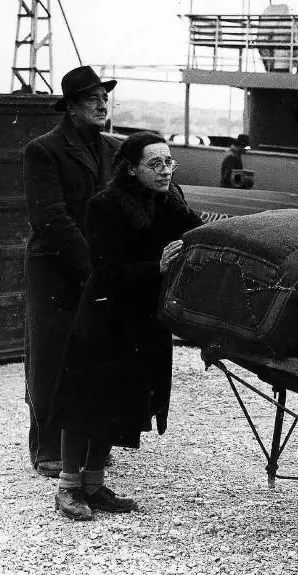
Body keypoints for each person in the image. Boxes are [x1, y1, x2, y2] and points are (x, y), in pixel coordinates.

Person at [50, 132, 202, 520]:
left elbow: (199, 230)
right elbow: (103, 270)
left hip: (142, 318)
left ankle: (94, 485)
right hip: (104, 315)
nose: (165, 170)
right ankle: (68, 487)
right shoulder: (104, 205)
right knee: (85, 400)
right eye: (156, 164)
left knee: (118, 400)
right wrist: (157, 267)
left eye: (169, 162)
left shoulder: (169, 201)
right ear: (132, 169)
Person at [23, 65, 120, 478]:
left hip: (98, 269)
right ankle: (47, 448)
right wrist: (93, 263)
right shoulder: (43, 150)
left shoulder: (113, 150)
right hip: (55, 270)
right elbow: (51, 219)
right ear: (71, 107)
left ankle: (90, 446)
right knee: (51, 358)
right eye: (93, 98)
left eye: (104, 97)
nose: (102, 104)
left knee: (96, 355)